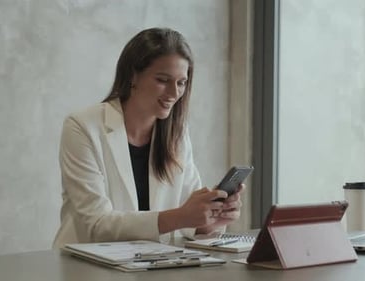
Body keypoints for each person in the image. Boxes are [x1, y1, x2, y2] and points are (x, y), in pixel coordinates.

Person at [53, 27, 244, 248]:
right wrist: (182, 216)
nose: (174, 94)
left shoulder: (177, 135)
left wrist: (210, 219)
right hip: (88, 269)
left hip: (152, 265)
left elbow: (186, 224)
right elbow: (97, 225)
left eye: (181, 83)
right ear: (133, 75)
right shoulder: (82, 127)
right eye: (163, 80)